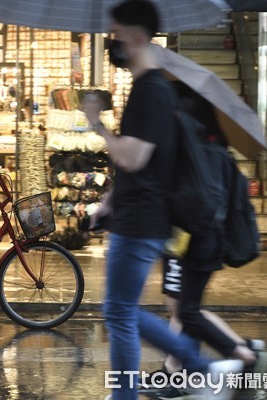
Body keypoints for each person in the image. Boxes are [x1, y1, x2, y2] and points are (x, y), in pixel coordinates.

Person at [82, 2, 243, 399]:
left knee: (119, 311)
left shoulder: (150, 90)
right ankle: (193, 368)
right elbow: (142, 163)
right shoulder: (151, 88)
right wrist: (109, 200)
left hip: (142, 219)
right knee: (120, 310)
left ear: (136, 37)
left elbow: (134, 157)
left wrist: (97, 125)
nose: (112, 42)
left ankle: (189, 370)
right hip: (139, 214)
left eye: (117, 34)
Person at [150, 82, 267, 399]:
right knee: (188, 309)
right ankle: (180, 371)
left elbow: (186, 198)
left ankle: (242, 355)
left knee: (186, 311)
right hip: (207, 243)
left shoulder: (194, 150)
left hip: (190, 242)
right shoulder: (219, 149)